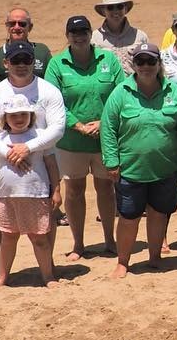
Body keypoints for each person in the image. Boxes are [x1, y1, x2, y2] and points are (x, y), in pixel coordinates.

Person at [0, 41, 66, 287]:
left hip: (41, 165)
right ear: (6, 64)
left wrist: (28, 148)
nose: (22, 65)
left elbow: (58, 127)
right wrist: (9, 151)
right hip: (5, 168)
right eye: (16, 60)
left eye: (27, 60)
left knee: (45, 223)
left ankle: (48, 270)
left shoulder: (48, 91)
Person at [100, 43, 177, 278]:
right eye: (140, 62)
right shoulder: (121, 92)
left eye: (150, 61)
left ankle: (155, 257)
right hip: (131, 169)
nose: (145, 66)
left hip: (166, 168)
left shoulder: (173, 91)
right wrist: (112, 161)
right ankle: (123, 262)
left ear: (158, 64)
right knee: (129, 217)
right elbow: (108, 128)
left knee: (159, 213)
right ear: (134, 65)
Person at [44, 15, 122, 261]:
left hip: (104, 139)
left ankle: (110, 240)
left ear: (91, 33)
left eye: (83, 31)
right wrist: (76, 125)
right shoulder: (57, 65)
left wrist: (104, 122)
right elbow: (52, 101)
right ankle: (78, 244)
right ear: (67, 36)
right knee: (74, 190)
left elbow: (120, 93)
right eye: (74, 33)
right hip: (71, 142)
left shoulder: (108, 59)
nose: (79, 36)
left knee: (106, 188)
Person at [0, 97, 61, 288]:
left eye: (23, 114)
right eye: (13, 115)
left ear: (31, 115)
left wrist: (56, 190)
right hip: (7, 197)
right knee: (8, 238)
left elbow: (51, 164)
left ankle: (48, 276)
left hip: (35, 195)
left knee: (39, 239)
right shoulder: (0, 139)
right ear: (5, 118)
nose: (18, 118)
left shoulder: (40, 135)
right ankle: (3, 277)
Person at [0, 6, 53, 88]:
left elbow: (51, 83)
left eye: (22, 24)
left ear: (30, 27)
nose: (17, 27)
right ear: (7, 26)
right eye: (12, 23)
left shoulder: (42, 51)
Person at [91, 0, 149, 73]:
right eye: (110, 7)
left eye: (119, 6)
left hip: (134, 85)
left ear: (125, 9)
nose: (115, 11)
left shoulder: (140, 36)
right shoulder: (94, 38)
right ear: (104, 11)